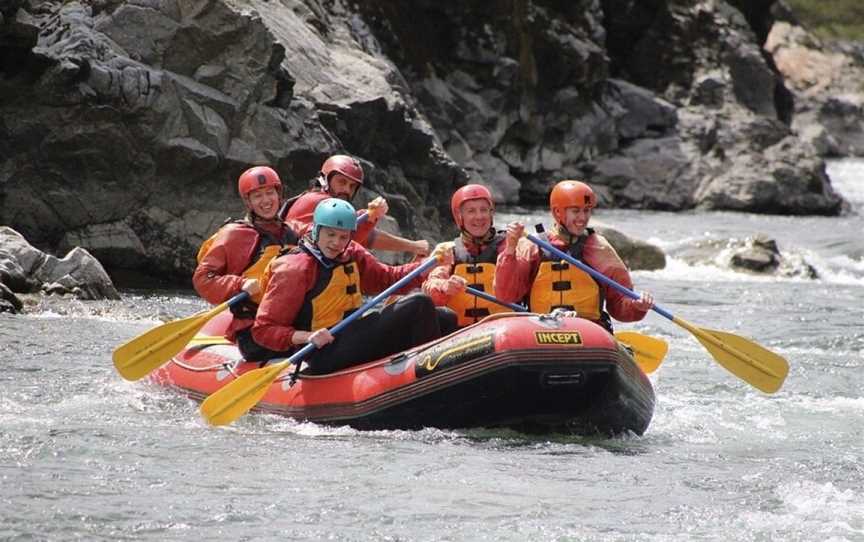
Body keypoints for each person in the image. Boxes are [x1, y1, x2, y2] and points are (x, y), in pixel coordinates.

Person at [245, 198, 452, 374]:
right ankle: (426, 374)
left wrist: (426, 265)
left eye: (343, 236)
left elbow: (387, 279)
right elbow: (263, 330)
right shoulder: (294, 269)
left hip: (352, 335)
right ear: (316, 231)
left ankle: (429, 374)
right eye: (330, 234)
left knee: (445, 317)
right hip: (322, 351)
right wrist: (307, 337)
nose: (336, 242)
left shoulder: (351, 252)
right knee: (419, 303)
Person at [495, 179, 654, 333]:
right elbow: (506, 294)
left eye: (586, 210)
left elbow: (619, 305)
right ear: (558, 212)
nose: (583, 218)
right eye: (576, 211)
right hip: (541, 330)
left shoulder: (599, 248)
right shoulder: (532, 245)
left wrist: (636, 305)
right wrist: (510, 249)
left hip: (589, 331)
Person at [193, 166, 307, 342]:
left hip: (291, 323)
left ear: (279, 194)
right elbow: (203, 279)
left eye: (270, 193)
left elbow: (332, 238)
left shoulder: (293, 231)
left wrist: (364, 220)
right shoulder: (235, 234)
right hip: (253, 329)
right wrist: (240, 284)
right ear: (249, 202)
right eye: (257, 196)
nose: (266, 201)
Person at [285, 154, 430, 256]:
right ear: (324, 180)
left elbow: (366, 237)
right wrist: (369, 215)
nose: (347, 190)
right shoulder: (316, 201)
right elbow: (357, 233)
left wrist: (412, 246)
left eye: (352, 186)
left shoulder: (329, 210)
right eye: (341, 182)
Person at [422, 184, 510, 328]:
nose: (479, 216)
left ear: (491, 213)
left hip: (502, 329)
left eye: (484, 210)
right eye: (471, 211)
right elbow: (431, 284)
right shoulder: (447, 250)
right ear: (459, 216)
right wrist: (444, 286)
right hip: (459, 332)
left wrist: (512, 249)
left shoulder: (509, 246)